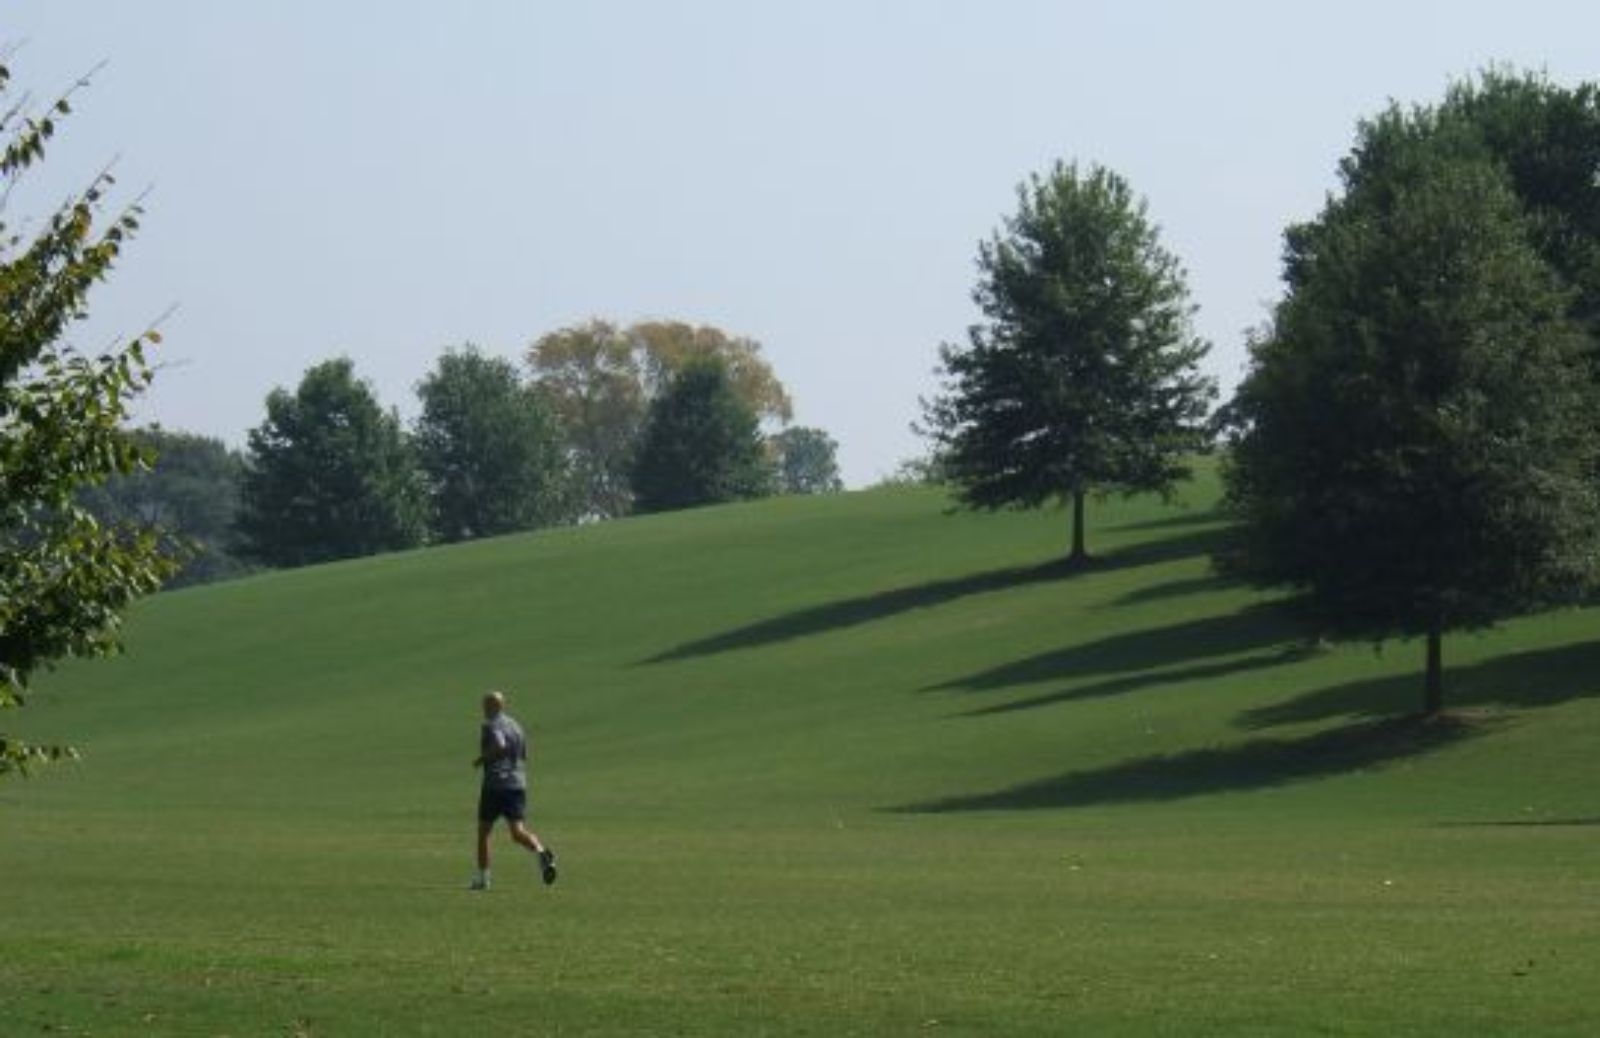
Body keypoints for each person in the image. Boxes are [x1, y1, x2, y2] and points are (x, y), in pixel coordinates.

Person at [471, 690, 557, 890]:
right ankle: (541, 852)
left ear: (495, 706)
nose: (483, 709)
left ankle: (483, 879)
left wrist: (482, 759)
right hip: (517, 784)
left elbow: (500, 745)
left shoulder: (491, 724)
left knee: (484, 832)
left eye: (486, 705)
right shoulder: (517, 726)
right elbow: (524, 755)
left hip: (495, 785)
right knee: (517, 832)